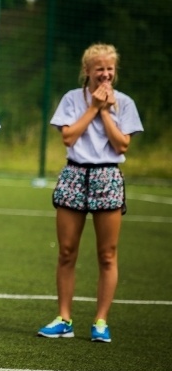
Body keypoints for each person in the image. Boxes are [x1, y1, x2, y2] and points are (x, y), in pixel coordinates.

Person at [37, 43, 143, 343]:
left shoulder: (125, 103)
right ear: (87, 71)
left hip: (107, 176)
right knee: (66, 251)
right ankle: (64, 319)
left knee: (107, 254)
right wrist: (94, 107)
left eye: (110, 69)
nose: (105, 74)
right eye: (99, 69)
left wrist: (106, 111)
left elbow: (122, 144)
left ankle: (100, 321)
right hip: (74, 174)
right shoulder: (72, 99)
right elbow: (68, 137)